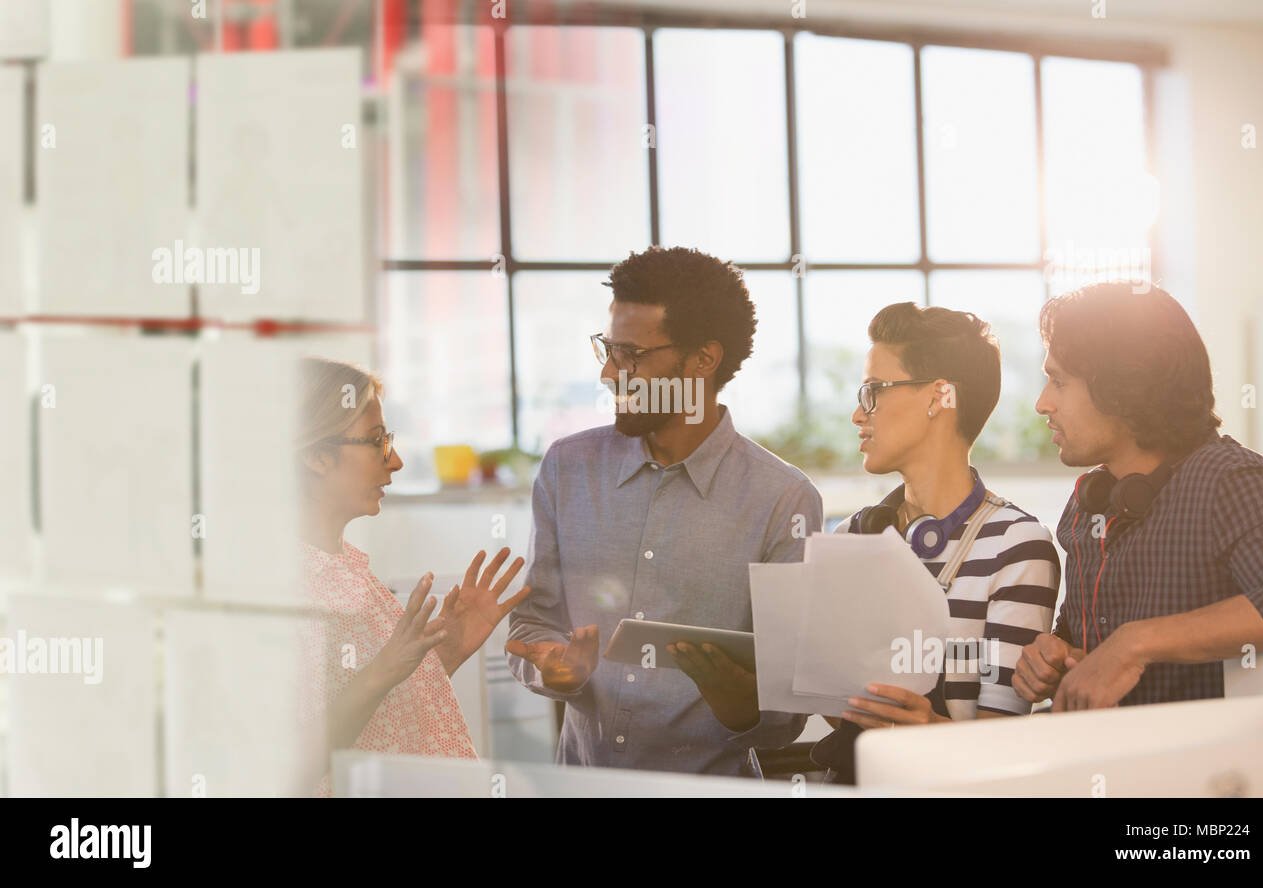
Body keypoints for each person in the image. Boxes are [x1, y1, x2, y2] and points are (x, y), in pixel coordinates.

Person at [505, 246, 822, 776]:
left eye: (630, 354)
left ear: (702, 359)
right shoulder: (567, 467)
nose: (609, 372)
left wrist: (739, 700)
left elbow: (791, 702)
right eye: (607, 349)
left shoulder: (783, 499)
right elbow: (533, 622)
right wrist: (552, 670)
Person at [1014, 282, 1263, 711]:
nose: (1042, 403)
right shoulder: (1089, 501)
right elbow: (1081, 631)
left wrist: (1136, 642)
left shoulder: (1233, 480)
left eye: (1058, 381)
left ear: (1122, 387)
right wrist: (1056, 654)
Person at [811, 302, 1060, 783]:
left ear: (937, 397)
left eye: (874, 392)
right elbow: (834, 708)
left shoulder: (1016, 546)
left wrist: (925, 728)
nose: (857, 413)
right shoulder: (853, 536)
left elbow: (1002, 746)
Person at [297, 357, 531, 794]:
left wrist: (442, 656)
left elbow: (371, 716)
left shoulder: (347, 570)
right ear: (315, 455)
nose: (397, 461)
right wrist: (385, 668)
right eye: (375, 442)